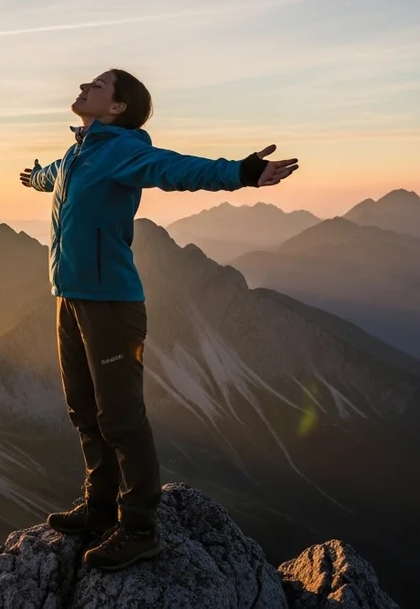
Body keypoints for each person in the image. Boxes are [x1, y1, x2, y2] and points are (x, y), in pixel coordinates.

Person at [19, 69, 298, 571]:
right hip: (71, 297)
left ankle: (140, 527)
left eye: (98, 85)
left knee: (121, 416)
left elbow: (173, 168)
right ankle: (100, 508)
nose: (85, 85)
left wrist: (240, 173)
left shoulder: (123, 149)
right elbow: (53, 176)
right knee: (84, 408)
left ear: (118, 107)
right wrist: (35, 176)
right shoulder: (79, 153)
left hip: (111, 304)